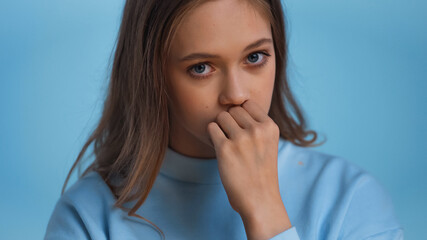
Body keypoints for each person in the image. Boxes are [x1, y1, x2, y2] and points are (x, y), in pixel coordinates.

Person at [44, 0, 404, 239]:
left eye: (255, 57)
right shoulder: (87, 218)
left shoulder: (350, 197)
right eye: (201, 68)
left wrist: (266, 212)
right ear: (151, 76)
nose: (236, 94)